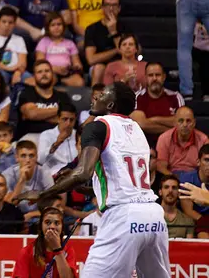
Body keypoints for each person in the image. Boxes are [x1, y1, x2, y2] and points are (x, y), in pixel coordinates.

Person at [17, 82, 170, 278]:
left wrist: (42, 194)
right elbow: (122, 183)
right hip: (154, 217)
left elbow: (83, 172)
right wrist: (84, 188)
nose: (96, 96)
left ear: (110, 105)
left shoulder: (97, 126)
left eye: (103, 94)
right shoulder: (137, 130)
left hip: (123, 216)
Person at [13, 207, 77, 278]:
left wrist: (57, 250)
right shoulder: (27, 252)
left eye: (57, 223)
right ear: (41, 226)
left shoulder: (68, 251)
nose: (52, 227)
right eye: (47, 222)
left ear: (62, 227)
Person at [131, 62, 185, 141]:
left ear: (164, 77)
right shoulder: (137, 97)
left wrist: (153, 119)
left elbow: (182, 122)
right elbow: (141, 124)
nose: (154, 78)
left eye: (158, 75)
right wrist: (172, 130)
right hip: (145, 144)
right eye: (150, 75)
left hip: (170, 144)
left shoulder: (176, 97)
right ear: (145, 78)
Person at [35, 12, 84, 87]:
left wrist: (75, 67)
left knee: (79, 82)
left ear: (63, 26)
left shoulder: (70, 43)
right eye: (53, 25)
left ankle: (61, 81)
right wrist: (54, 68)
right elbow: (40, 63)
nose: (56, 27)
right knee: (50, 80)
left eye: (59, 24)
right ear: (47, 28)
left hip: (66, 73)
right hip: (50, 71)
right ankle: (57, 81)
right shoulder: (43, 42)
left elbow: (77, 63)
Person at [38, 104, 79, 176]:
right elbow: (40, 160)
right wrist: (57, 143)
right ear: (58, 119)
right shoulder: (47, 135)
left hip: (75, 174)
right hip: (55, 175)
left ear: (75, 119)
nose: (68, 123)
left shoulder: (78, 135)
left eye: (71, 120)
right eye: (65, 119)